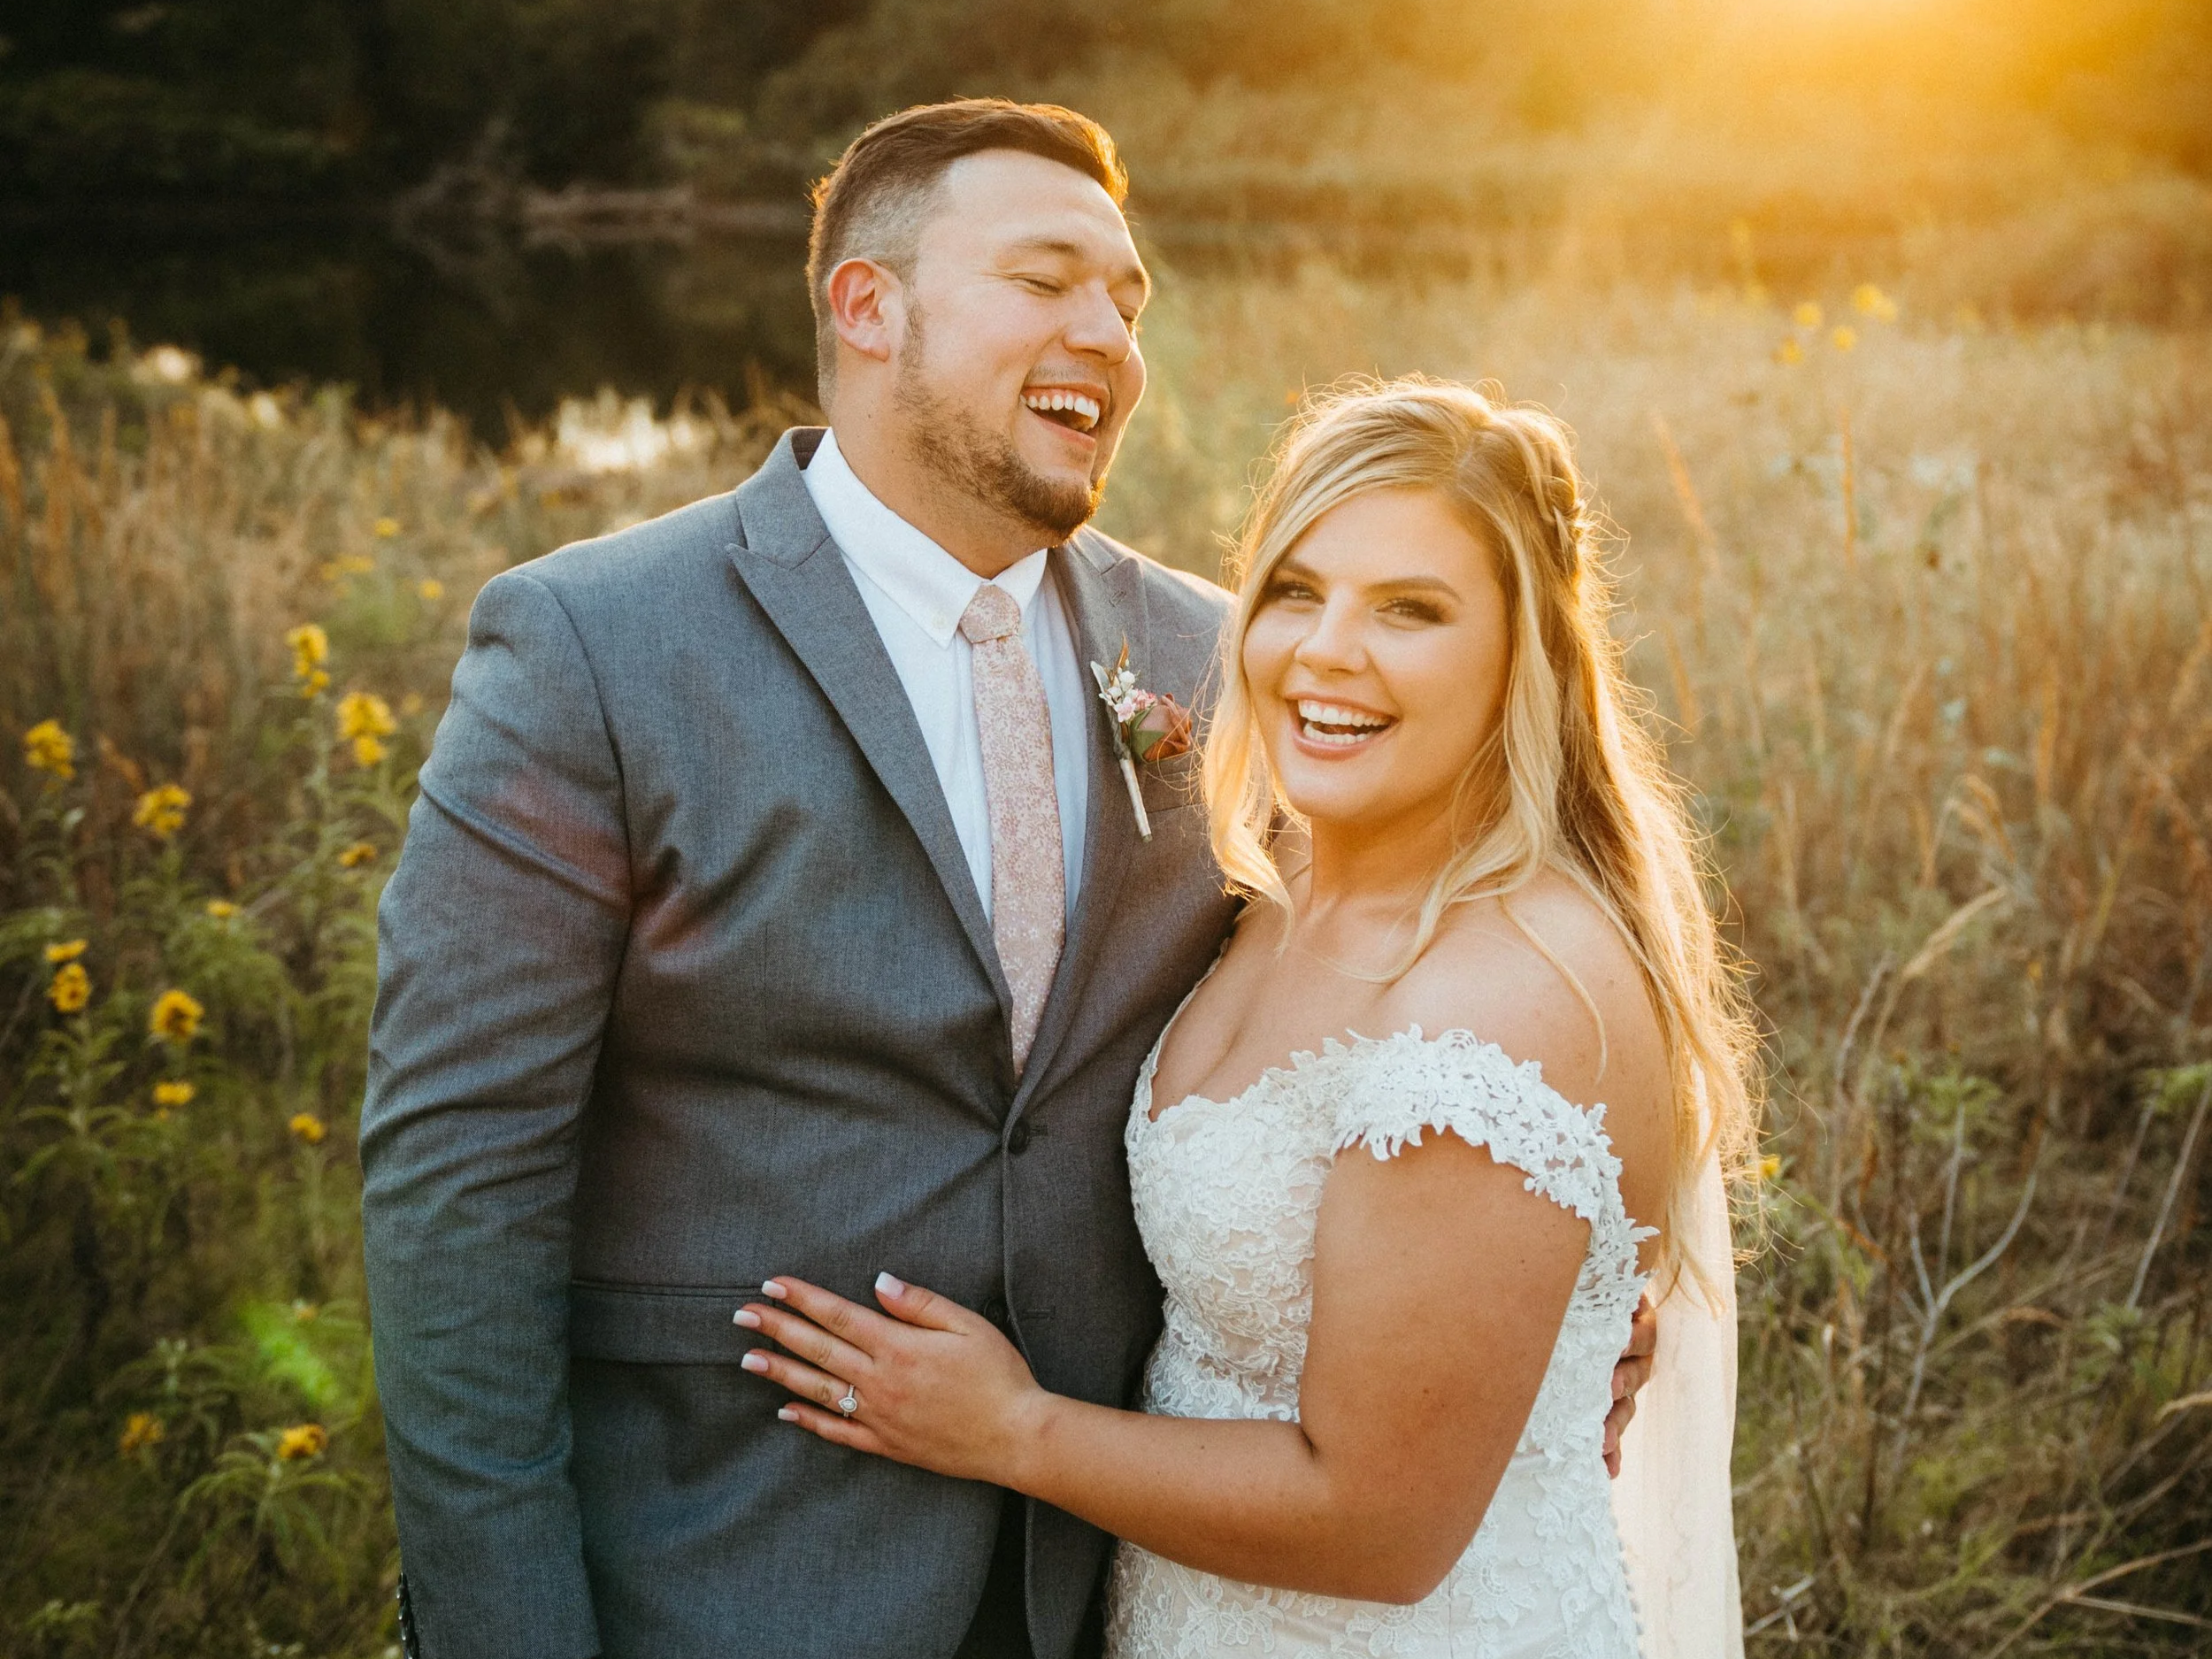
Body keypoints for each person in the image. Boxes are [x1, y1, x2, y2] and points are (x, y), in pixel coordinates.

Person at [360, 99, 1656, 1659]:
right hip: (720, 1578)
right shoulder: (593, 647)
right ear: (868, 304)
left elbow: (1435, 1008)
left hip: (1100, 1585)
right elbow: (459, 1196)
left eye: (1128, 299)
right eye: (1048, 280)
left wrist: (1565, 1295)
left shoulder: (1220, 658)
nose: (1105, 333)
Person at [731, 378, 1757, 1657]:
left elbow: (1380, 1527)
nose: (1327, 649)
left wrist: (1011, 1428)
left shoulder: (1500, 1002)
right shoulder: (1289, 876)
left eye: (1411, 610)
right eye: (1293, 590)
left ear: (1525, 656)